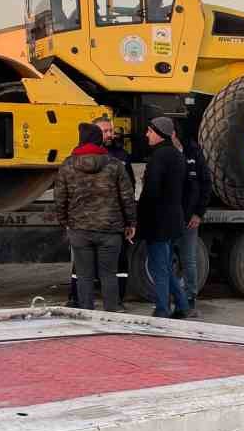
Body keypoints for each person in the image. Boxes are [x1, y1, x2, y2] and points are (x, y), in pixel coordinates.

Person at [53, 121, 136, 312]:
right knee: (109, 274)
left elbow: (60, 198)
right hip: (110, 230)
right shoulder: (115, 165)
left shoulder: (68, 165)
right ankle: (111, 314)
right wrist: (131, 222)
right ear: (98, 140)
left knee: (84, 275)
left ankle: (86, 315)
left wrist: (65, 221)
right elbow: (127, 196)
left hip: (79, 230)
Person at [138, 115, 190, 318]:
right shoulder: (177, 155)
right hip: (173, 219)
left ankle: (162, 309)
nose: (146, 134)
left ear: (159, 134)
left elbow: (151, 191)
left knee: (158, 266)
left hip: (158, 221)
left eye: (150, 131)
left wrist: (140, 214)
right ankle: (182, 305)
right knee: (166, 265)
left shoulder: (159, 157)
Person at [174, 125, 212, 319]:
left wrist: (198, 213)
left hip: (189, 218)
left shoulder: (193, 153)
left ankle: (189, 299)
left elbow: (206, 183)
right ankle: (171, 299)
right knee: (165, 259)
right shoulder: (164, 152)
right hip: (169, 218)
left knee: (188, 259)